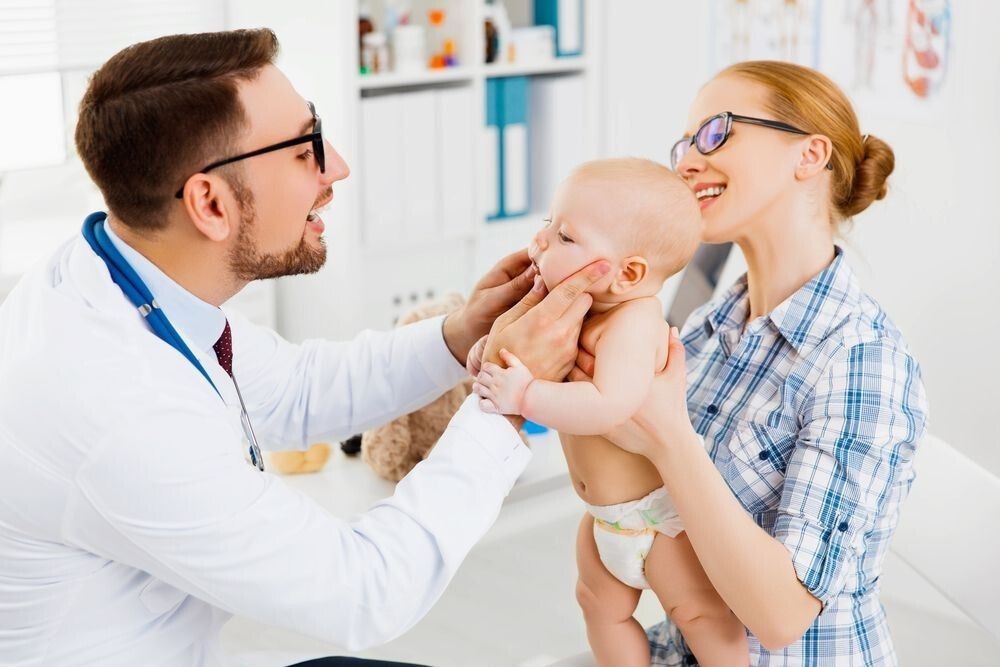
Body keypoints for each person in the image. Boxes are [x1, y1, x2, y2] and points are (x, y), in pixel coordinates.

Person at [0, 29, 610, 666]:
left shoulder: (116, 273)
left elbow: (297, 387)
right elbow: (366, 592)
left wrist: (461, 337)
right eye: (304, 149)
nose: (337, 166)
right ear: (209, 203)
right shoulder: (116, 404)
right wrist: (507, 397)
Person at [571, 61, 929, 665]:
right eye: (685, 142)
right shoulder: (711, 328)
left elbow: (781, 616)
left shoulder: (862, 361)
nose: (686, 161)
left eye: (717, 132)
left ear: (809, 155)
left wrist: (669, 439)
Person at [471, 158, 747, 666]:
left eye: (566, 237)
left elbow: (608, 406)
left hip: (661, 523)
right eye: (547, 226)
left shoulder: (634, 324)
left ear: (629, 274)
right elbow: (522, 354)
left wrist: (524, 395)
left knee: (701, 618)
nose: (541, 243)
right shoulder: (572, 306)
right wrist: (492, 355)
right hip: (603, 520)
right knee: (600, 609)